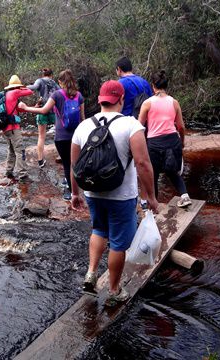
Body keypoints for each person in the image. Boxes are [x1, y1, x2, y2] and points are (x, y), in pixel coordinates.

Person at [70, 80, 159, 306]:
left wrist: (75, 193)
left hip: (92, 193)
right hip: (122, 196)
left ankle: (91, 273)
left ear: (100, 100)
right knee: (118, 243)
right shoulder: (131, 125)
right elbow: (143, 163)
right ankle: (113, 290)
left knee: (99, 229)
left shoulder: (83, 126)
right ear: (121, 99)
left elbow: (75, 165)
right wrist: (151, 196)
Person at [19, 69, 84, 200]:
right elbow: (83, 118)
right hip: (77, 136)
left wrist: (26, 108)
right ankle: (75, 187)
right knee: (75, 163)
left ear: (60, 82)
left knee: (67, 164)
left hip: (61, 137)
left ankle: (70, 192)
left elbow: (43, 111)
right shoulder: (79, 95)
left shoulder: (57, 95)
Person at [137, 70, 192, 208]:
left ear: (153, 86)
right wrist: (182, 142)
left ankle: (153, 207)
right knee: (172, 171)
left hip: (154, 143)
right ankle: (185, 196)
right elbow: (181, 127)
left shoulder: (147, 103)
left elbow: (139, 126)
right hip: (173, 141)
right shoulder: (174, 102)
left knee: (153, 174)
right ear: (166, 85)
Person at [27, 68, 61, 168]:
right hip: (53, 110)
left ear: (43, 74)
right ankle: (60, 155)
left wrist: (22, 88)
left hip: (42, 110)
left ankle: (40, 160)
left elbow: (34, 87)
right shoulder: (54, 83)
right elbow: (60, 92)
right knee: (58, 133)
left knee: (41, 136)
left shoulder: (40, 81)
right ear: (51, 75)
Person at [3, 75, 33, 181]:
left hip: (5, 128)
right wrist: (22, 88)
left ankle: (9, 171)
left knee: (11, 150)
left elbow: (17, 110)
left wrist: (32, 108)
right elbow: (30, 91)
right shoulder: (14, 92)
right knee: (20, 150)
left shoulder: (7, 94)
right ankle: (23, 175)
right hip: (13, 128)